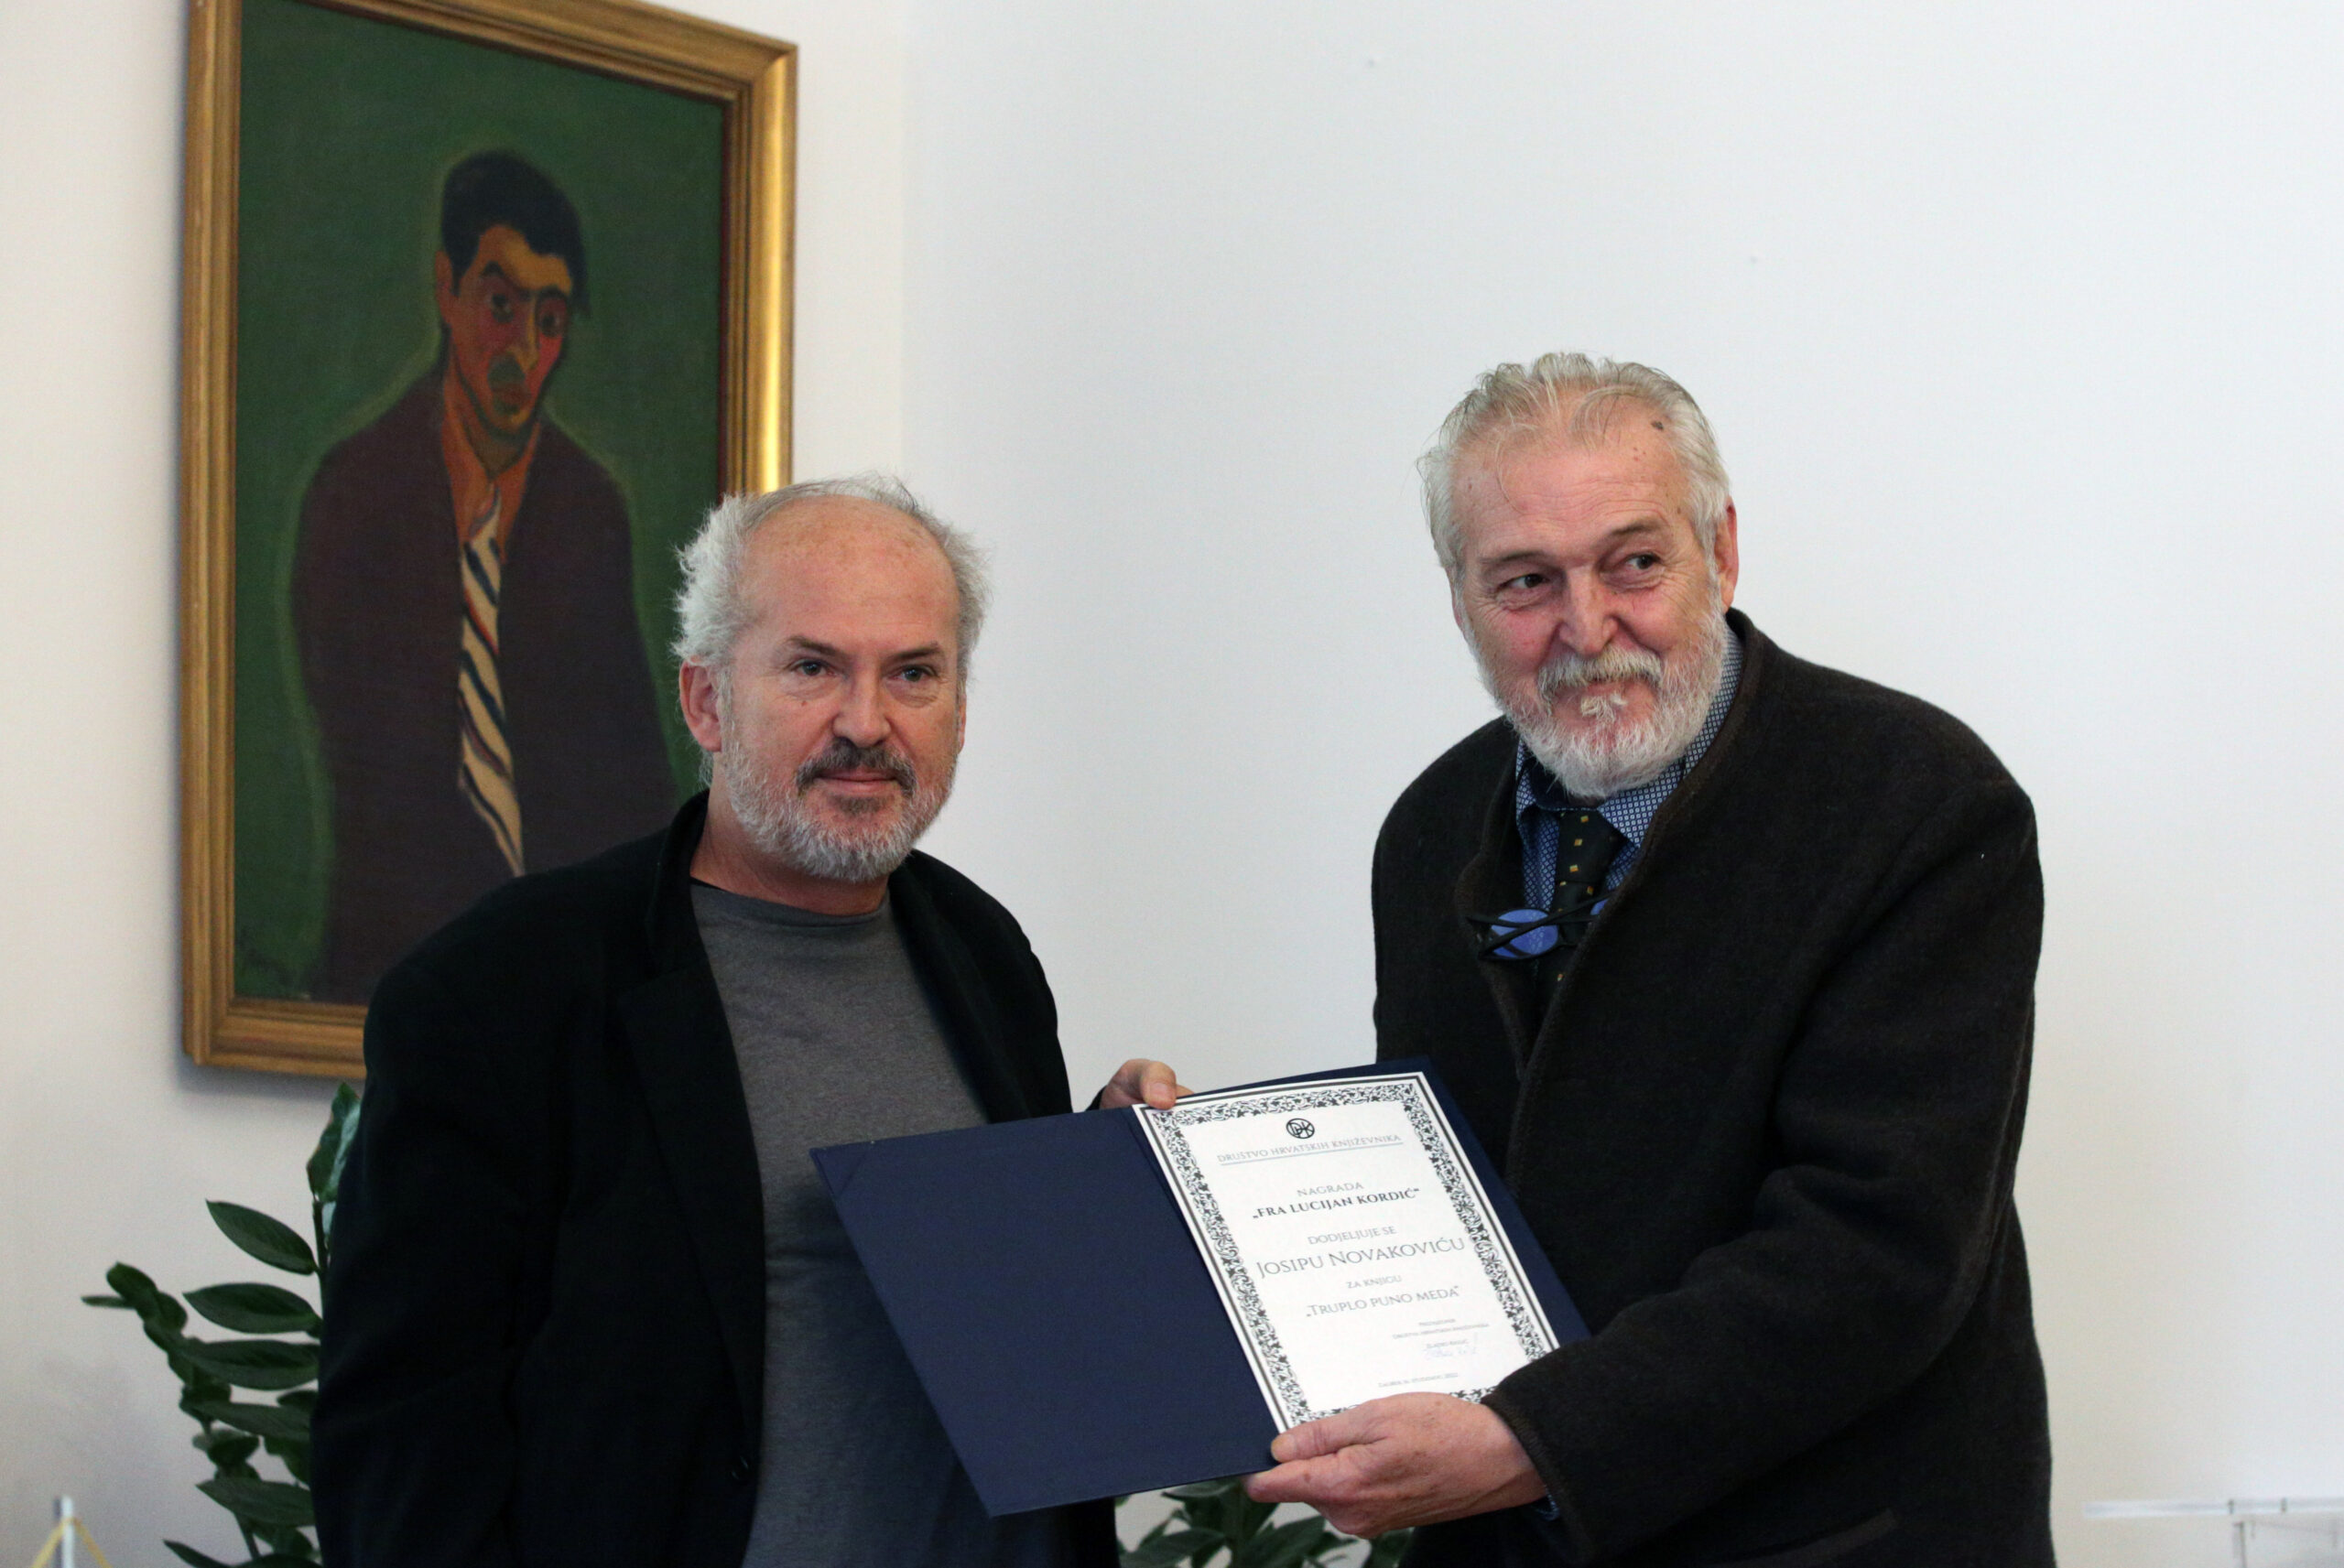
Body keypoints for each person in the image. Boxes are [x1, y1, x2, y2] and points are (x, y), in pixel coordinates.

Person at [1249, 356, 2051, 1566]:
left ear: (1719, 551)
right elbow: (1431, 1184)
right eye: (1526, 580)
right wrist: (1195, 1168)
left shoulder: (1916, 802)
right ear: (1459, 600)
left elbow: (1878, 1249)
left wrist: (1532, 1440)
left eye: (1633, 561)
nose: (1586, 629)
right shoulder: (1431, 829)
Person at [313, 479, 1177, 1568]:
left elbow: (991, 1329)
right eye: (812, 668)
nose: (865, 724)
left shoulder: (983, 951)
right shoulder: (505, 988)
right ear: (706, 701)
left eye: (913, 674)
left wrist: (1099, 1178)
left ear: (960, 709)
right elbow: (400, 1448)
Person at [292, 149, 675, 1005]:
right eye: (502, 306)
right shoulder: (356, 497)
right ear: (446, 290)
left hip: (571, 993)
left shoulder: (588, 512)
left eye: (551, 319)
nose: (524, 351)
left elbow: (634, 786)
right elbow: (381, 789)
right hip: (394, 980)